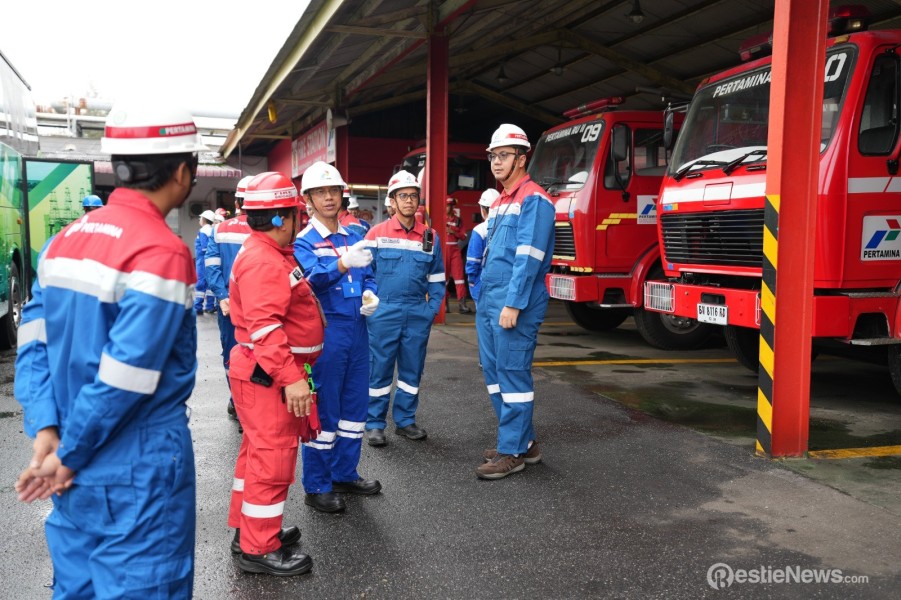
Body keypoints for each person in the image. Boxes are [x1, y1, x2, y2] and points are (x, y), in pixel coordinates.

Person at [13, 98, 203, 596]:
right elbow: (127, 374)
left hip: (74, 460)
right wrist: (69, 453)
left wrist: (46, 431)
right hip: (136, 465)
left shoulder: (63, 242)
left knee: (76, 589)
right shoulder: (161, 251)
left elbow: (32, 340)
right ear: (183, 171)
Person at [227, 171, 322, 577]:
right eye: (297, 213)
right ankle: (259, 549)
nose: (300, 219)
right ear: (283, 217)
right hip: (271, 378)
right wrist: (293, 378)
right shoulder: (264, 259)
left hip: (263, 374)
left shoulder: (269, 253)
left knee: (257, 455)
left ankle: (249, 530)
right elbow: (266, 330)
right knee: (273, 459)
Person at [294, 161, 382, 513]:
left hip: (358, 331)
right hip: (327, 332)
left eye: (333, 191)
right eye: (320, 192)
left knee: (354, 408)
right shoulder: (304, 242)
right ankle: (317, 485)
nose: (329, 197)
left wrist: (370, 294)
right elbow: (309, 283)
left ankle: (345, 472)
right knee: (326, 410)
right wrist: (342, 264)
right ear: (308, 200)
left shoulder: (355, 235)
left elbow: (369, 275)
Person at [476, 124, 554, 480]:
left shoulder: (533, 198)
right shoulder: (502, 201)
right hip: (492, 299)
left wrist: (514, 303)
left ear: (522, 159)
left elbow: (529, 256)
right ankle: (525, 441)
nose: (496, 162)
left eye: (504, 155)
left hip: (513, 301)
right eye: (493, 155)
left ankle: (513, 452)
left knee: (512, 374)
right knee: (494, 376)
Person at [363, 170, 444, 447]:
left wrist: (431, 309)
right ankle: (374, 424)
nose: (409, 201)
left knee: (412, 370)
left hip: (416, 313)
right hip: (384, 312)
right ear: (392, 202)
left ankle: (405, 421)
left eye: (413, 195)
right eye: (403, 196)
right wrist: (370, 305)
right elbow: (365, 275)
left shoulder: (430, 238)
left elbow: (436, 279)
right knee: (380, 369)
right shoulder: (376, 235)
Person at [205, 175, 254, 425]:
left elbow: (211, 266)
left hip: (228, 306)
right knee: (260, 352)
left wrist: (222, 296)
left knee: (232, 354)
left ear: (237, 203)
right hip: (259, 305)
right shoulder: (269, 228)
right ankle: (254, 404)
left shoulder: (220, 229)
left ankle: (237, 402)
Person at [465, 188, 500, 303]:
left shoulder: (479, 230)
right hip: (501, 284)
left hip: (481, 283)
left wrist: (471, 281)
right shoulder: (507, 229)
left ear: (483, 209)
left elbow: (473, 260)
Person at [444, 196, 472, 313]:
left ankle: (462, 304)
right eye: (447, 205)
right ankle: (444, 305)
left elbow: (464, 236)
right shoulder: (440, 219)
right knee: (443, 279)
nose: (449, 208)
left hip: (455, 250)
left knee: (459, 278)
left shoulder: (458, 220)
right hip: (444, 250)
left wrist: (453, 231)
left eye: (451, 205)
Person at [194, 209, 217, 315]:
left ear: (204, 219)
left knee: (201, 283)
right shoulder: (212, 230)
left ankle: (198, 307)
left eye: (200, 218)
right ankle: (210, 306)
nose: (199, 219)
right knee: (209, 284)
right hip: (210, 260)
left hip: (202, 260)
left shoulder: (203, 230)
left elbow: (203, 247)